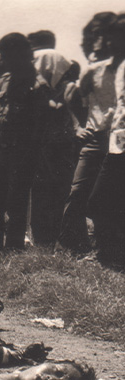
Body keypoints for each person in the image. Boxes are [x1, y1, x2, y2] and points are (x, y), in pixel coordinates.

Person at [0, 33, 51, 254]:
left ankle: (13, 247)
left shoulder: (39, 86)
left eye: (7, 56)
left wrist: (28, 155)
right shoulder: (4, 80)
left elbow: (40, 127)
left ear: (21, 55)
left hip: (23, 155)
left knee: (17, 203)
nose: (3, 61)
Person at [60, 12, 122, 253]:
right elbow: (72, 99)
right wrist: (77, 126)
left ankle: (109, 248)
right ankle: (71, 244)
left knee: (110, 196)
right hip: (96, 139)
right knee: (78, 192)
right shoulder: (93, 71)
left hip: (120, 140)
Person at [28, 30, 79, 248]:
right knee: (44, 189)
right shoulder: (39, 87)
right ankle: (43, 236)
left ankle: (53, 235)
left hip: (57, 143)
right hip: (47, 142)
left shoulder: (65, 88)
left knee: (53, 189)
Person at [87, 14, 125, 270]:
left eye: (115, 37)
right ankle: (107, 255)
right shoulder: (120, 67)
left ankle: (107, 256)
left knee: (100, 200)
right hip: (118, 142)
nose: (109, 43)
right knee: (102, 201)